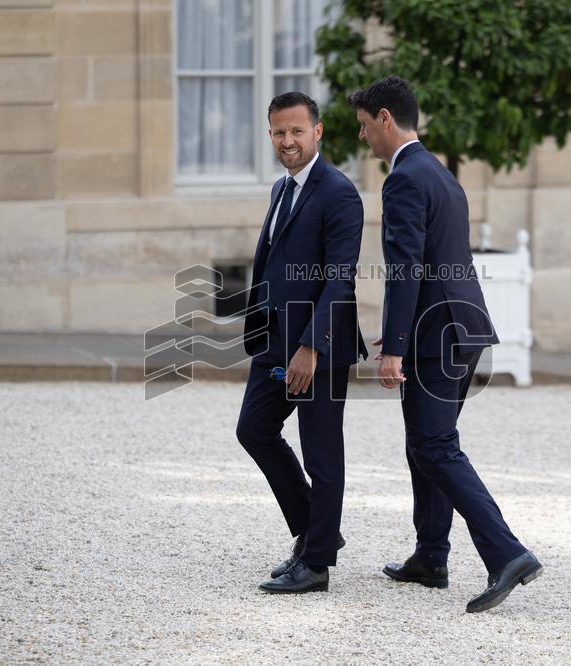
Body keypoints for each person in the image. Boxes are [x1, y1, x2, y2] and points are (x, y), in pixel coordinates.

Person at [349, 76, 541, 613]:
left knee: (435, 446)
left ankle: (507, 553)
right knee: (425, 443)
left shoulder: (405, 178)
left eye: (365, 127)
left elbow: (404, 268)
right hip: (464, 327)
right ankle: (430, 557)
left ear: (386, 118)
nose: (365, 139)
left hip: (438, 335)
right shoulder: (442, 174)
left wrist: (395, 348)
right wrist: (400, 332)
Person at [237, 92, 367, 594]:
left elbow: (341, 279)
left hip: (320, 346)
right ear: (270, 135)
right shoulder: (280, 188)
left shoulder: (339, 192)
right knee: (254, 430)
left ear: (318, 132)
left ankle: (315, 566)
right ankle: (316, 532)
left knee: (322, 455)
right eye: (278, 132)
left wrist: (311, 347)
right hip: (274, 339)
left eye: (297, 131)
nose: (287, 141)